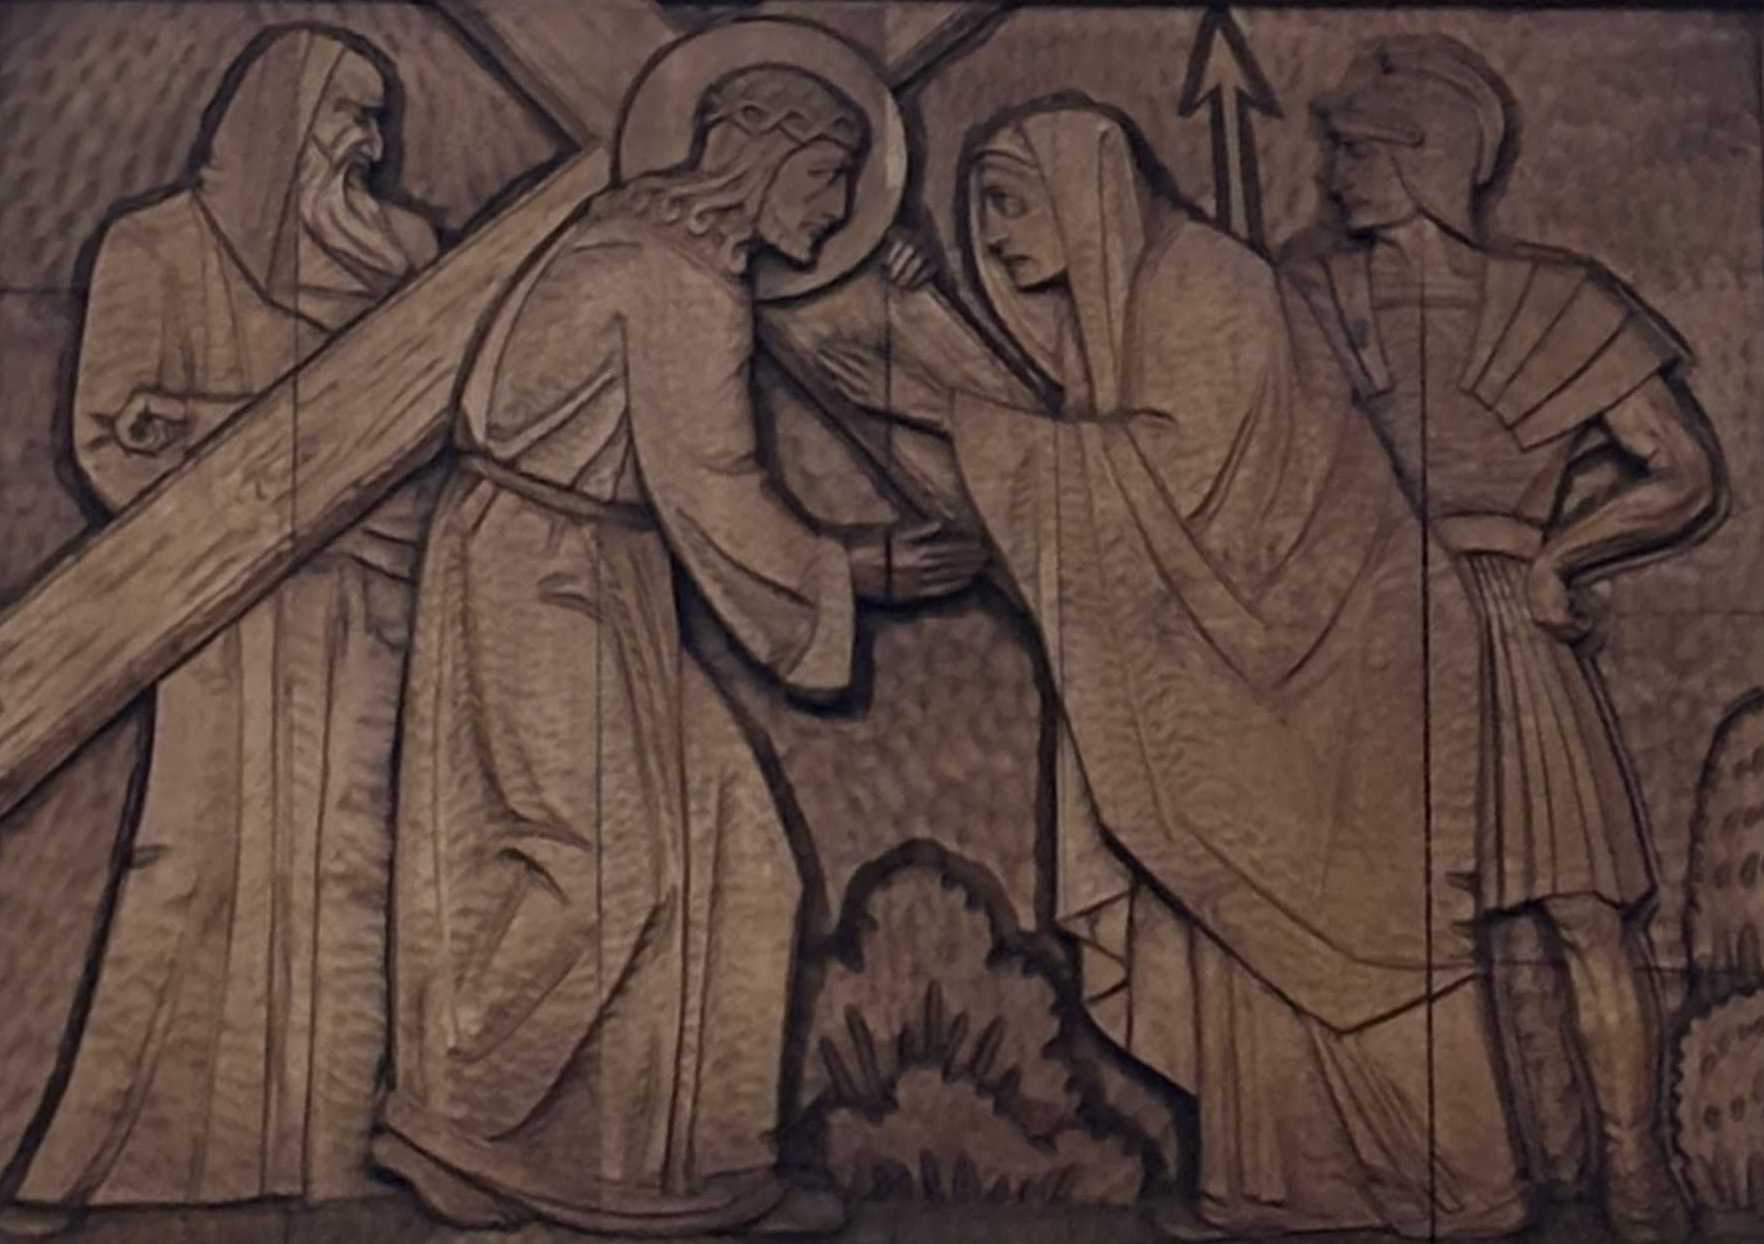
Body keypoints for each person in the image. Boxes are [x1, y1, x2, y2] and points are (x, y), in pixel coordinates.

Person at [815, 94, 1529, 1239]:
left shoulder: (1207, 288)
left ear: (1086, 192)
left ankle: (1474, 1185)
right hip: (1258, 677)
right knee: (1251, 915)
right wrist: (929, 325)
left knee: (1364, 930)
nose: (994, 233)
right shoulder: (1129, 313)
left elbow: (1162, 478)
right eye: (983, 210)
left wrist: (940, 399)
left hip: (1337, 665)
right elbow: (1071, 467)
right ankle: (1289, 1189)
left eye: (1008, 204)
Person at [371, 62, 983, 1238]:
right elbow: (714, 487)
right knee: (605, 869)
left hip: (595, 566)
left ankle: (701, 1159)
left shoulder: (639, 238)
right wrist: (858, 568)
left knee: (744, 849)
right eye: (827, 179)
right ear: (763, 156)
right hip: (547, 574)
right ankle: (457, 1120)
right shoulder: (674, 279)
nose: (833, 213)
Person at [1289, 35, 1725, 1242]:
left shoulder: (1558, 302)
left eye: (1357, 151)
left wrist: (1561, 554)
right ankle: (1450, 1171)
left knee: (1584, 912)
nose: (1333, 177)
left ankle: (1636, 1168)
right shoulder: (1305, 296)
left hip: (1503, 621)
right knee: (1390, 928)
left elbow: (1684, 470)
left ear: (1427, 159)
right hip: (1365, 633)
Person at [6, 25, 440, 1225]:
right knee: (189, 862)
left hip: (365, 610)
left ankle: (332, 1153)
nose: (370, 145)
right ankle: (99, 1160)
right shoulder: (157, 247)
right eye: (349, 115)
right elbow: (110, 433)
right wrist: (251, 479)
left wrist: (207, 422)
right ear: (279, 117)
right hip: (216, 615)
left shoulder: (407, 256)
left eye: (378, 119)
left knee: (351, 870)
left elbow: (445, 434)